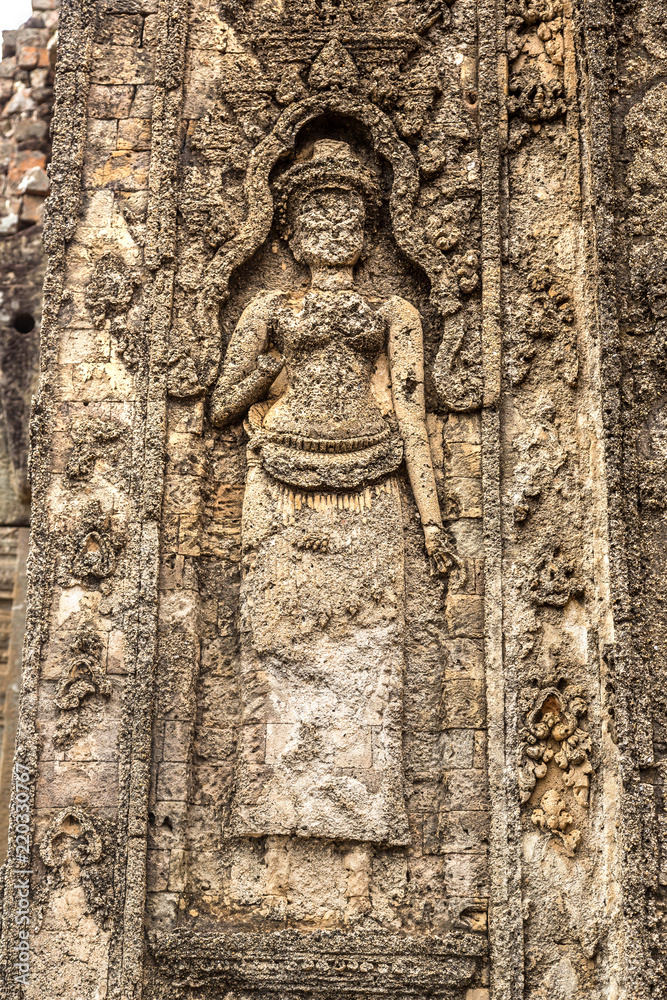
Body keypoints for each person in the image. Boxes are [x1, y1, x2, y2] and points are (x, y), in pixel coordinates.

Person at [210, 139, 456, 845]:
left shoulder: (393, 310)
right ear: (286, 229)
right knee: (275, 642)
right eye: (314, 212)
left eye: (346, 211)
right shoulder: (267, 304)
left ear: (370, 226)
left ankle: (362, 822)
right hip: (280, 480)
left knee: (368, 653)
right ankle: (272, 819)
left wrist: (433, 524)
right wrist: (270, 369)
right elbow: (223, 404)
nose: (331, 225)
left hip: (372, 484)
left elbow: (412, 417)